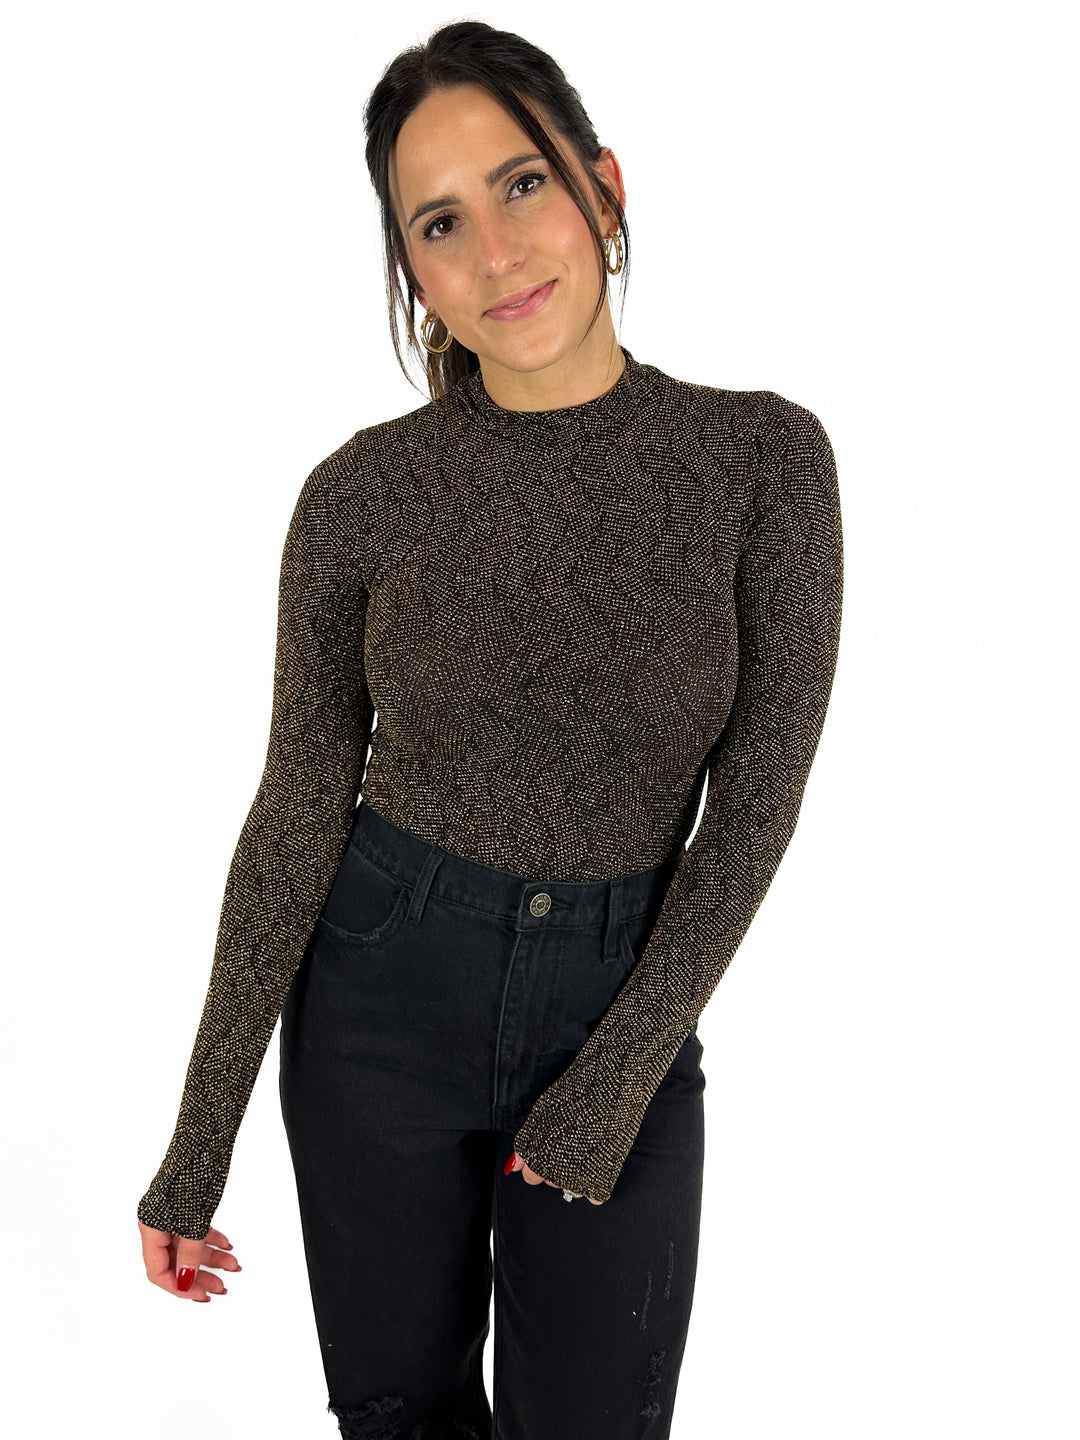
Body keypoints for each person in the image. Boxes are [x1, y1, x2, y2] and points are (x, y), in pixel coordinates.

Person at [136, 19, 844, 1440]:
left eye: (524, 185)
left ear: (604, 188)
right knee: (399, 1423)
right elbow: (297, 813)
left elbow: (755, 805)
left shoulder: (760, 464)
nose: (498, 253)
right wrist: (195, 1145)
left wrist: (620, 1073)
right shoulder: (361, 496)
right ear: (412, 269)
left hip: (620, 993)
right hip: (377, 1005)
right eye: (441, 222)